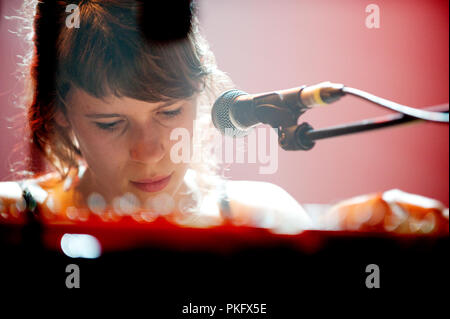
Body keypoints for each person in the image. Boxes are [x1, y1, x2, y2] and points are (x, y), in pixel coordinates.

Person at [0, 0, 313, 234]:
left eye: (170, 111)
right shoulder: (11, 217)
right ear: (60, 110)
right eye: (110, 123)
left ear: (200, 90)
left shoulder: (267, 220)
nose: (148, 151)